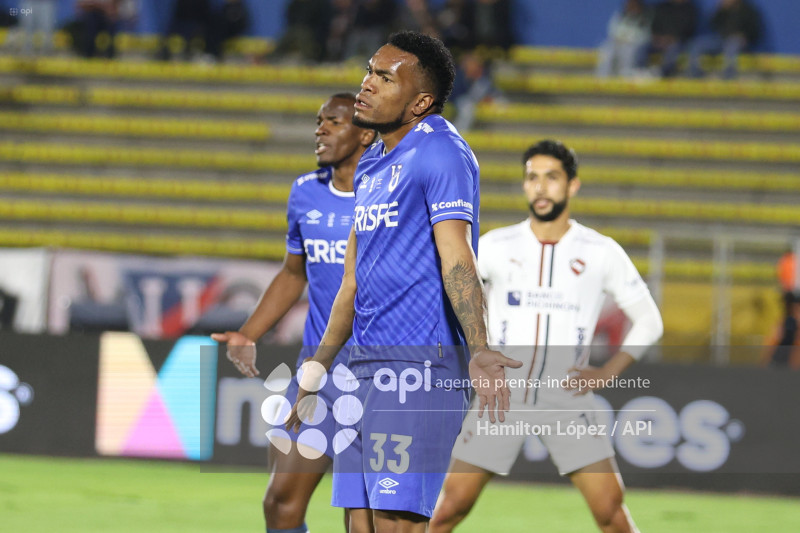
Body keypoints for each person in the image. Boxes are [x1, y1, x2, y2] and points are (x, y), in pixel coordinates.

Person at [285, 30, 521, 533]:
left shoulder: (441, 152)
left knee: (396, 526)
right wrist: (318, 366)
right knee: (359, 526)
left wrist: (480, 348)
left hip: (417, 371)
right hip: (361, 370)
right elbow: (351, 282)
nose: (367, 84)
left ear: (420, 102)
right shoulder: (371, 162)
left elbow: (457, 256)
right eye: (369, 71)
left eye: (385, 78)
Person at [429, 140, 664, 533]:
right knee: (448, 509)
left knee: (611, 512)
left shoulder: (601, 251)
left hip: (566, 399)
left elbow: (650, 321)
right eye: (532, 178)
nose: (540, 187)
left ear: (572, 185)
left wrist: (607, 372)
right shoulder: (495, 245)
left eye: (551, 177)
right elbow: (453, 299)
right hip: (502, 397)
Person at [212, 93, 376, 533]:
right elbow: (292, 272)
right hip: (318, 376)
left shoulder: (388, 194)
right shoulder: (305, 192)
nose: (320, 129)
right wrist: (248, 333)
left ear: (365, 134)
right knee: (280, 503)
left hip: (378, 376)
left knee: (363, 520)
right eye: (319, 121)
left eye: (334, 121)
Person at [687, 0, 761, 79]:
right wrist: (721, 10)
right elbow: (713, 24)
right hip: (721, 39)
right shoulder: (723, 10)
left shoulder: (748, 10)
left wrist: (745, 37)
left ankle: (728, 78)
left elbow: (755, 30)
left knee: (732, 45)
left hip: (738, 41)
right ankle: (694, 75)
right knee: (698, 44)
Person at [596, 0, 653, 78]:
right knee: (607, 49)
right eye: (629, 4)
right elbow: (613, 31)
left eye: (634, 5)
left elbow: (645, 35)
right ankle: (602, 78)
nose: (631, 7)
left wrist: (628, 39)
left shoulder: (645, 18)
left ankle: (625, 78)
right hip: (618, 42)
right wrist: (621, 38)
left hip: (634, 45)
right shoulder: (620, 15)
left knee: (627, 51)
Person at [648, 0, 698, 77]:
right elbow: (655, 26)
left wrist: (671, 39)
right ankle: (639, 71)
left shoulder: (689, 8)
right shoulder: (663, 7)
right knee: (641, 48)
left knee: (673, 49)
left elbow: (689, 29)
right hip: (659, 40)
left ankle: (662, 74)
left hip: (679, 41)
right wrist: (659, 38)